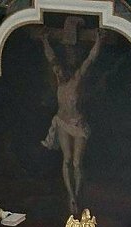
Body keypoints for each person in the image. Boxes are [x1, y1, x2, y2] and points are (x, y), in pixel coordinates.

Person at [42, 29, 101, 212]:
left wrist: (98, 40)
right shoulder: (59, 81)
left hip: (77, 123)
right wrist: (44, 39)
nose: (59, 73)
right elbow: (51, 57)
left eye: (61, 71)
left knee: (76, 163)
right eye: (57, 72)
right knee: (67, 159)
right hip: (62, 122)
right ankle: (71, 197)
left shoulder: (76, 79)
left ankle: (77, 193)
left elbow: (90, 59)